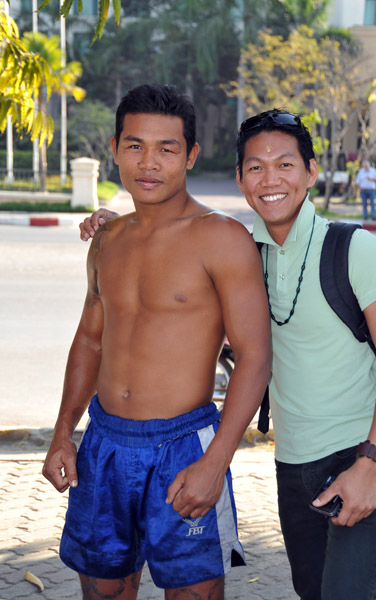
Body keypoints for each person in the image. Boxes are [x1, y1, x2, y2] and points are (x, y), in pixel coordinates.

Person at [84, 108, 376, 600]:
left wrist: (370, 463)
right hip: (293, 460)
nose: (270, 179)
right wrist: (117, 222)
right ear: (240, 178)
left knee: (346, 591)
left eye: (285, 165)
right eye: (255, 167)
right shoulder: (242, 248)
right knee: (311, 589)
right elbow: (175, 242)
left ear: (311, 172)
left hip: (359, 451)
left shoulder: (353, 248)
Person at [43, 84, 271, 600]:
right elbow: (89, 341)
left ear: (190, 155)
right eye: (135, 146)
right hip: (102, 443)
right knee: (103, 589)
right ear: (115, 148)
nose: (149, 163)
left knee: (194, 594)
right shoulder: (107, 239)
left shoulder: (222, 238)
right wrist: (63, 433)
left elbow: (255, 357)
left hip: (184, 447)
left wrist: (216, 463)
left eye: (167, 149)